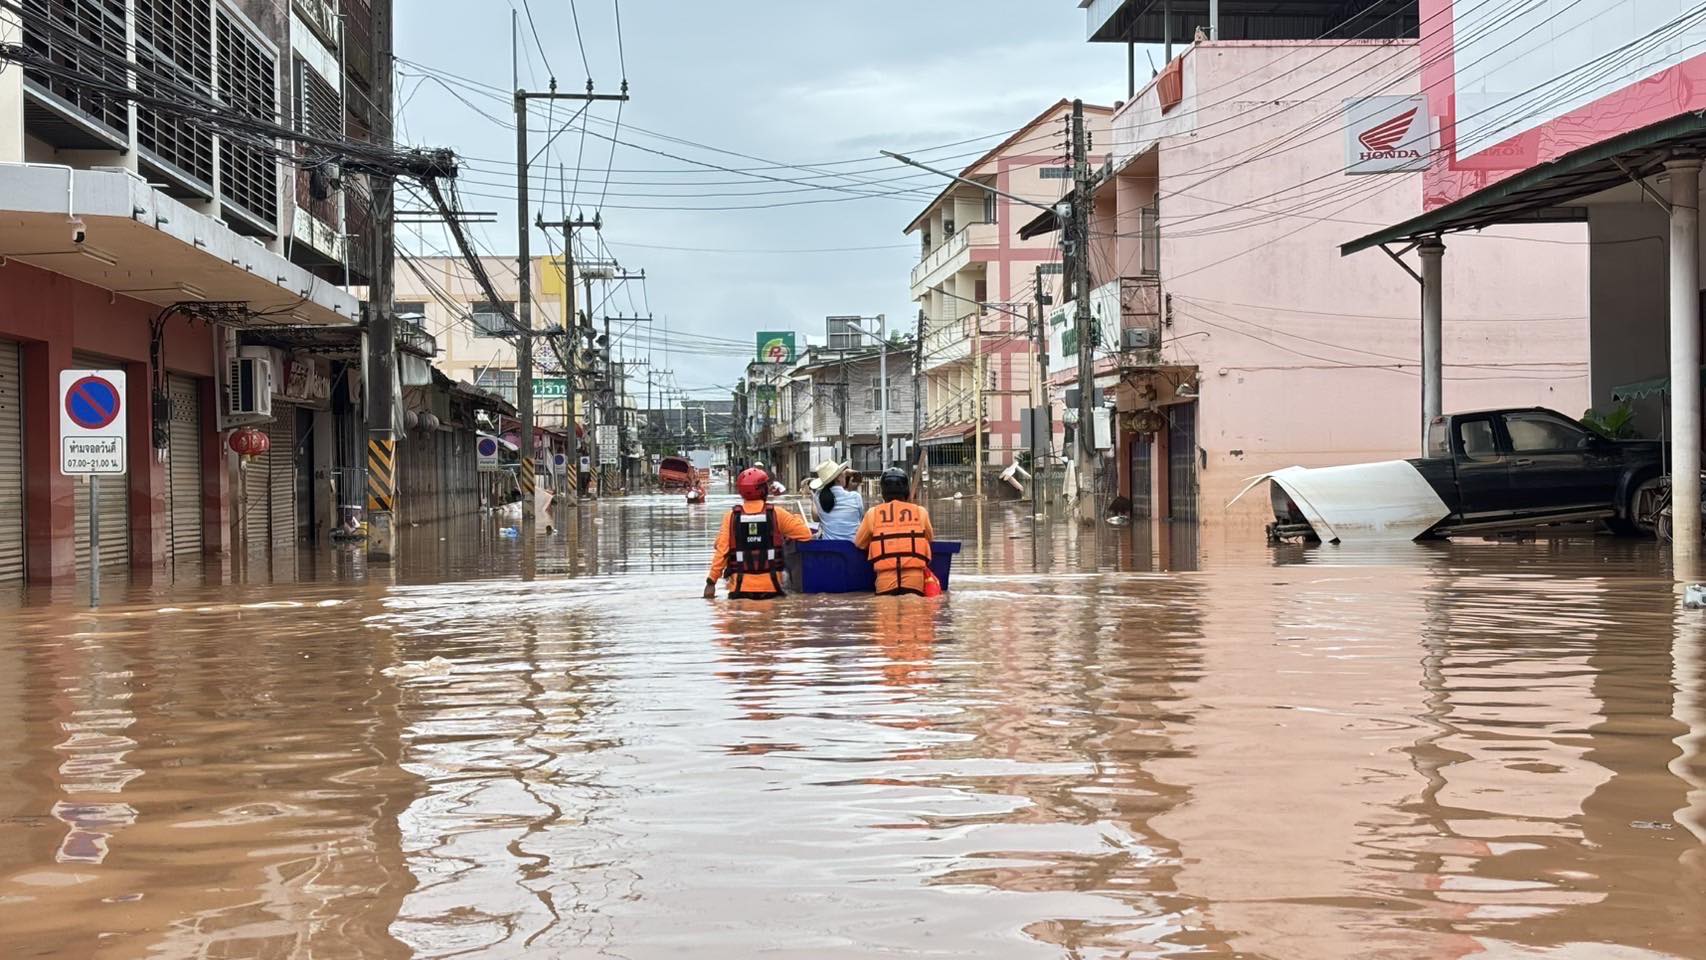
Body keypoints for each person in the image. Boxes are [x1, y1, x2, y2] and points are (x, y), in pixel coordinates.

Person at [705, 466, 813, 599]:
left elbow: (721, 551)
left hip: (739, 590)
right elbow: (806, 534)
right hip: (772, 589)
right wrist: (796, 518)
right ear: (764, 490)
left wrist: (711, 582)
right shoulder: (777, 514)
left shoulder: (730, 517)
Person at [853, 468, 936, 596]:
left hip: (885, 581)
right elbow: (929, 538)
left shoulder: (872, 513)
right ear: (906, 490)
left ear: (883, 492)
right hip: (914, 581)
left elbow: (859, 543)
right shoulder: (920, 512)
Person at [809, 459, 865, 541]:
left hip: (829, 546)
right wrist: (851, 487)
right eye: (842, 474)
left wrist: (841, 475)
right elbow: (860, 519)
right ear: (838, 479)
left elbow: (816, 518)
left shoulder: (818, 496)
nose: (845, 475)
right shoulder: (855, 497)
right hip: (851, 546)